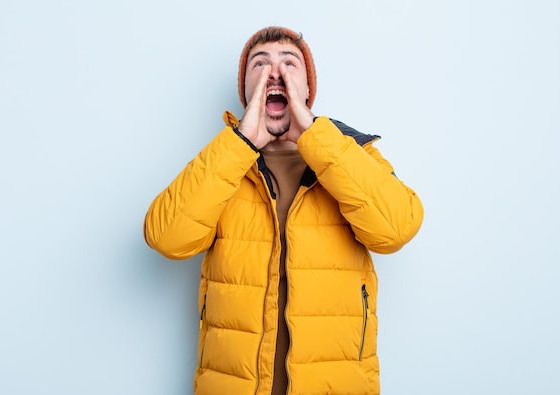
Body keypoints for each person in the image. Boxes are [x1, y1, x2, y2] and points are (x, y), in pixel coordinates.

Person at [144, 26, 423, 395]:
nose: (274, 72)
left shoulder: (354, 154)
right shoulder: (224, 163)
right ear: (245, 90)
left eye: (289, 63)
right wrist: (240, 144)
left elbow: (396, 229)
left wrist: (315, 137)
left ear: (307, 89)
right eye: (259, 64)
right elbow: (167, 239)